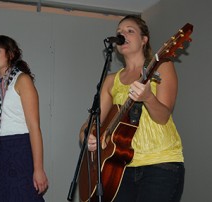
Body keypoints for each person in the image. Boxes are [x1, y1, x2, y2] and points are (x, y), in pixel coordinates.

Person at [79, 15, 184, 202]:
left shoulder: (162, 66)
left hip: (161, 164)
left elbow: (163, 117)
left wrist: (148, 97)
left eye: (130, 30)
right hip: (119, 169)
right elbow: (90, 125)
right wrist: (89, 137)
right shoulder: (111, 80)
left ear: (144, 40)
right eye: (119, 32)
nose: (122, 34)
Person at [0, 35, 48, 202]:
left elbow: (34, 127)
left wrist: (38, 169)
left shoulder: (22, 80)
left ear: (11, 54)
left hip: (18, 149)